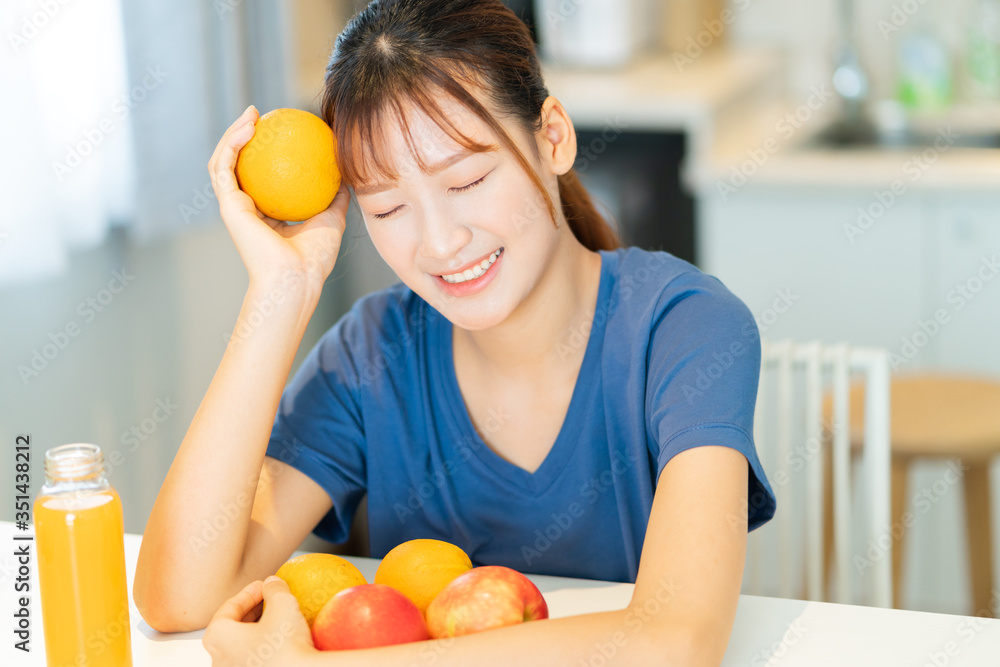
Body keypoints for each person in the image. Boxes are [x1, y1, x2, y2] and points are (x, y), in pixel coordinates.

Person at [134, 0, 776, 664]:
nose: (440, 242)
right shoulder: (370, 356)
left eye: (467, 180)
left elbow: (676, 639)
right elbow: (177, 597)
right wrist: (280, 293)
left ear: (552, 137)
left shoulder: (685, 327)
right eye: (388, 207)